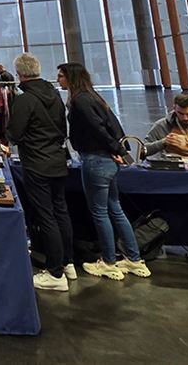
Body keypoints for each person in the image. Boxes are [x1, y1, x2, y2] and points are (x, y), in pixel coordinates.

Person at [57, 63, 151, 281]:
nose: (58, 80)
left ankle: (108, 261)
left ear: (70, 78)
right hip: (107, 159)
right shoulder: (93, 96)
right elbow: (113, 125)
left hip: (96, 159)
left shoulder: (81, 100)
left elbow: (98, 128)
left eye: (61, 76)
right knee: (115, 209)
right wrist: (120, 149)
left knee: (100, 212)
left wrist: (117, 149)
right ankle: (133, 258)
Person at [7, 53, 73, 291]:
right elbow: (62, 127)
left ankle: (55, 274)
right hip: (57, 159)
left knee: (46, 216)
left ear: (20, 74)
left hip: (37, 162)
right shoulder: (54, 94)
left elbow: (14, 132)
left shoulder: (25, 99)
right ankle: (68, 262)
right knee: (60, 211)